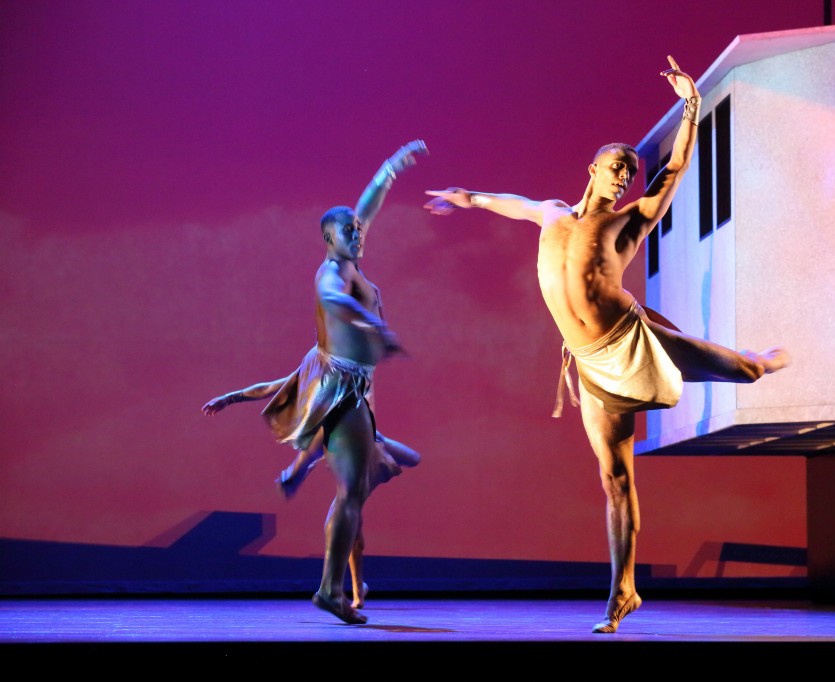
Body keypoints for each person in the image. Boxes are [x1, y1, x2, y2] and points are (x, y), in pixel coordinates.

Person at [423, 57, 790, 634]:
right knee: (615, 479)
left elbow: (673, 170)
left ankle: (768, 357)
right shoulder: (550, 216)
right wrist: (463, 196)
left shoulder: (630, 221)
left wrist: (692, 108)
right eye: (617, 167)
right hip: (593, 365)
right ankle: (624, 592)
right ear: (592, 168)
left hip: (632, 342)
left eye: (628, 172)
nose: (624, 176)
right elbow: (503, 200)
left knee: (744, 372)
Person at [209, 139, 427, 624]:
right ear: (328, 239)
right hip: (344, 394)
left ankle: (338, 586)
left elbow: (366, 207)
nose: (357, 233)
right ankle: (332, 589)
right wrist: (375, 327)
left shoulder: (350, 257)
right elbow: (335, 302)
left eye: (357, 229)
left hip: (353, 392)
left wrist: (389, 167)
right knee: (350, 494)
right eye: (347, 231)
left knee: (353, 493)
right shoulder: (331, 272)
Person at [202, 376, 420, 609]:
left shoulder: (346, 376)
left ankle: (358, 589)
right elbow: (268, 388)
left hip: (367, 448)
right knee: (347, 516)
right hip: (347, 452)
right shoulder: (314, 374)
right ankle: (358, 591)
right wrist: (228, 398)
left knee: (405, 463)